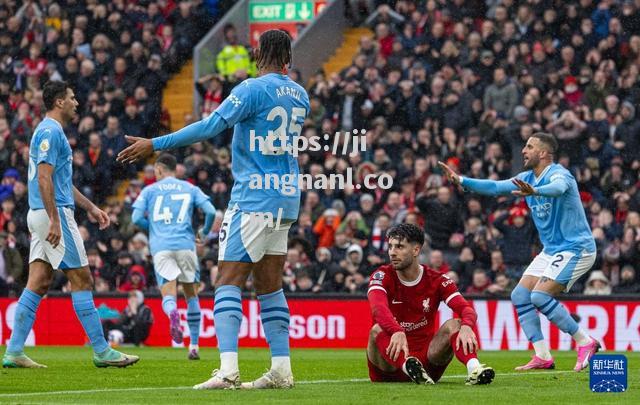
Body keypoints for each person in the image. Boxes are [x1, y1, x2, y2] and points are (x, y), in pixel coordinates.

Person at [117, 29, 310, 389]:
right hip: (286, 197)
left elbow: (210, 126)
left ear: (257, 55)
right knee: (270, 287)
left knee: (227, 282)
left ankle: (228, 370)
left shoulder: (251, 89)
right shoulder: (300, 95)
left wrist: (155, 144)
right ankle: (282, 369)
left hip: (253, 198)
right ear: (288, 58)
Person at [2, 81, 139, 369]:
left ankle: (14, 350)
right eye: (73, 98)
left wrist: (91, 207)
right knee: (82, 279)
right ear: (59, 102)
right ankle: (102, 350)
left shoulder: (50, 131)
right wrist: (55, 219)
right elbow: (43, 178)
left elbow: (60, 181)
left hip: (40, 212)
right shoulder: (51, 131)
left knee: (38, 281)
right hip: (53, 214)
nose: (77, 102)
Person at [439, 132, 599, 372]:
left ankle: (586, 342)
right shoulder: (525, 177)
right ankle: (543, 356)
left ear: (543, 153)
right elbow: (494, 187)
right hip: (552, 250)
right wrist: (462, 181)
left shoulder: (558, 174)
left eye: (529, 146)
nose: (524, 150)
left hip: (577, 248)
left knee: (540, 297)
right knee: (520, 296)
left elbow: (557, 188)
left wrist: (536, 192)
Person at [366, 223, 494, 385]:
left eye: (399, 247)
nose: (392, 252)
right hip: (388, 367)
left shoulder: (437, 280)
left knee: (455, 324)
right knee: (377, 329)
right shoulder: (381, 276)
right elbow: (378, 309)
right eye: (390, 246)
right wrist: (397, 330)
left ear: (416, 250)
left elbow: (466, 309)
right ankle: (408, 366)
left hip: (427, 365)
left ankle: (474, 369)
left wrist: (467, 326)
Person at [131, 153, 216, 360]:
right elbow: (211, 211)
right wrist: (203, 233)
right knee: (191, 295)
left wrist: (153, 229)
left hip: (161, 247)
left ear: (159, 169)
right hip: (186, 245)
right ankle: (194, 346)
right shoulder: (190, 187)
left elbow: (135, 218)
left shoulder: (149, 190)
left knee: (168, 295)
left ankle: (173, 314)